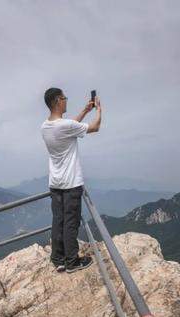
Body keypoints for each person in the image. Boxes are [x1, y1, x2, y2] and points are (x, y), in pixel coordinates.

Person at [40, 87, 102, 273]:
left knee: (58, 220)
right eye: (65, 98)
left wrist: (85, 110)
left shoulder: (45, 127)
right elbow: (95, 127)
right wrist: (99, 110)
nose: (67, 100)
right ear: (58, 100)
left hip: (55, 183)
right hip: (71, 183)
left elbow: (69, 127)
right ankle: (72, 262)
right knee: (70, 223)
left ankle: (58, 259)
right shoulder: (64, 126)